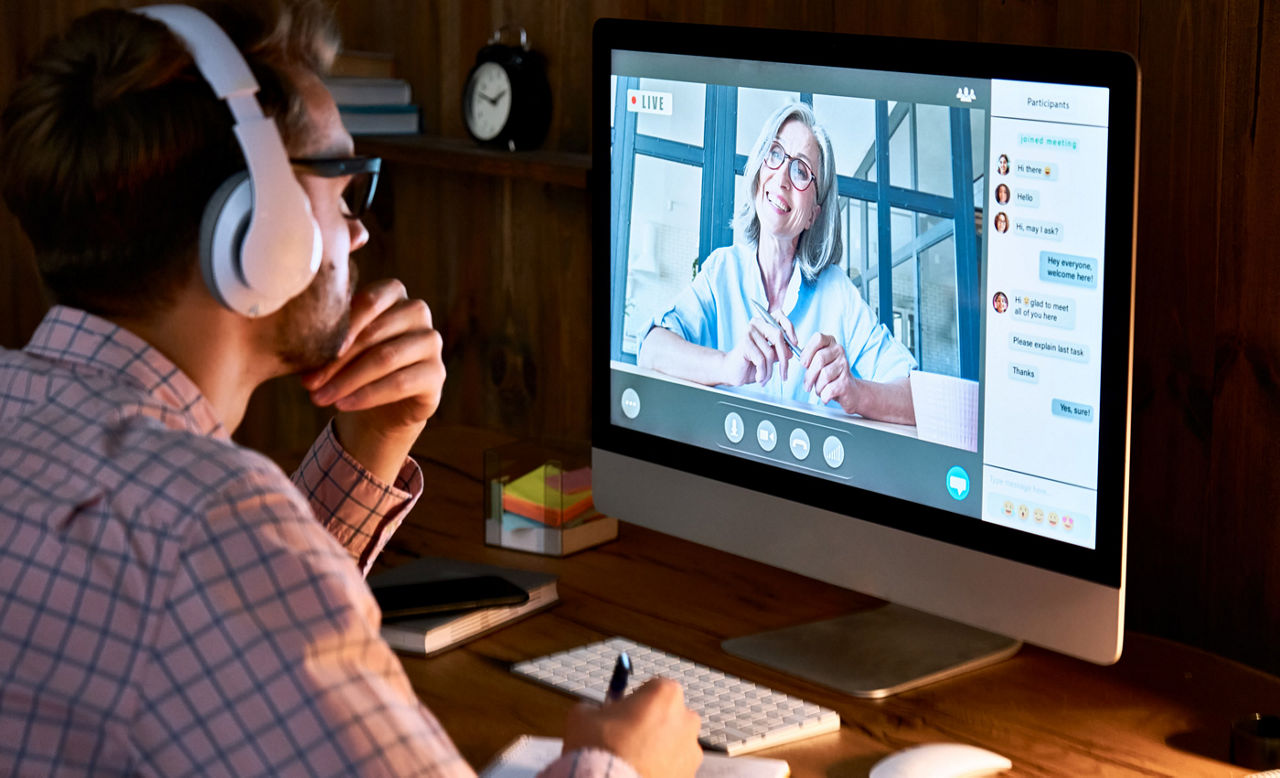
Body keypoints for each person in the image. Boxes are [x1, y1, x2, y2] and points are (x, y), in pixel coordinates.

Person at [0, 2, 701, 776]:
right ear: (259, 232)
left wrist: (371, 447)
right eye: (341, 186)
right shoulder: (204, 523)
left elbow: (225, 650)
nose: (361, 231)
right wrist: (623, 764)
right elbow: (205, 573)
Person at [638, 102, 916, 424]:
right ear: (759, 171)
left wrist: (856, 392)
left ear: (814, 213)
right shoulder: (722, 271)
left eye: (800, 170)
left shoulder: (838, 294)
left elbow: (915, 398)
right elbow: (651, 351)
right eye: (774, 154)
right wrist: (728, 365)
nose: (782, 177)